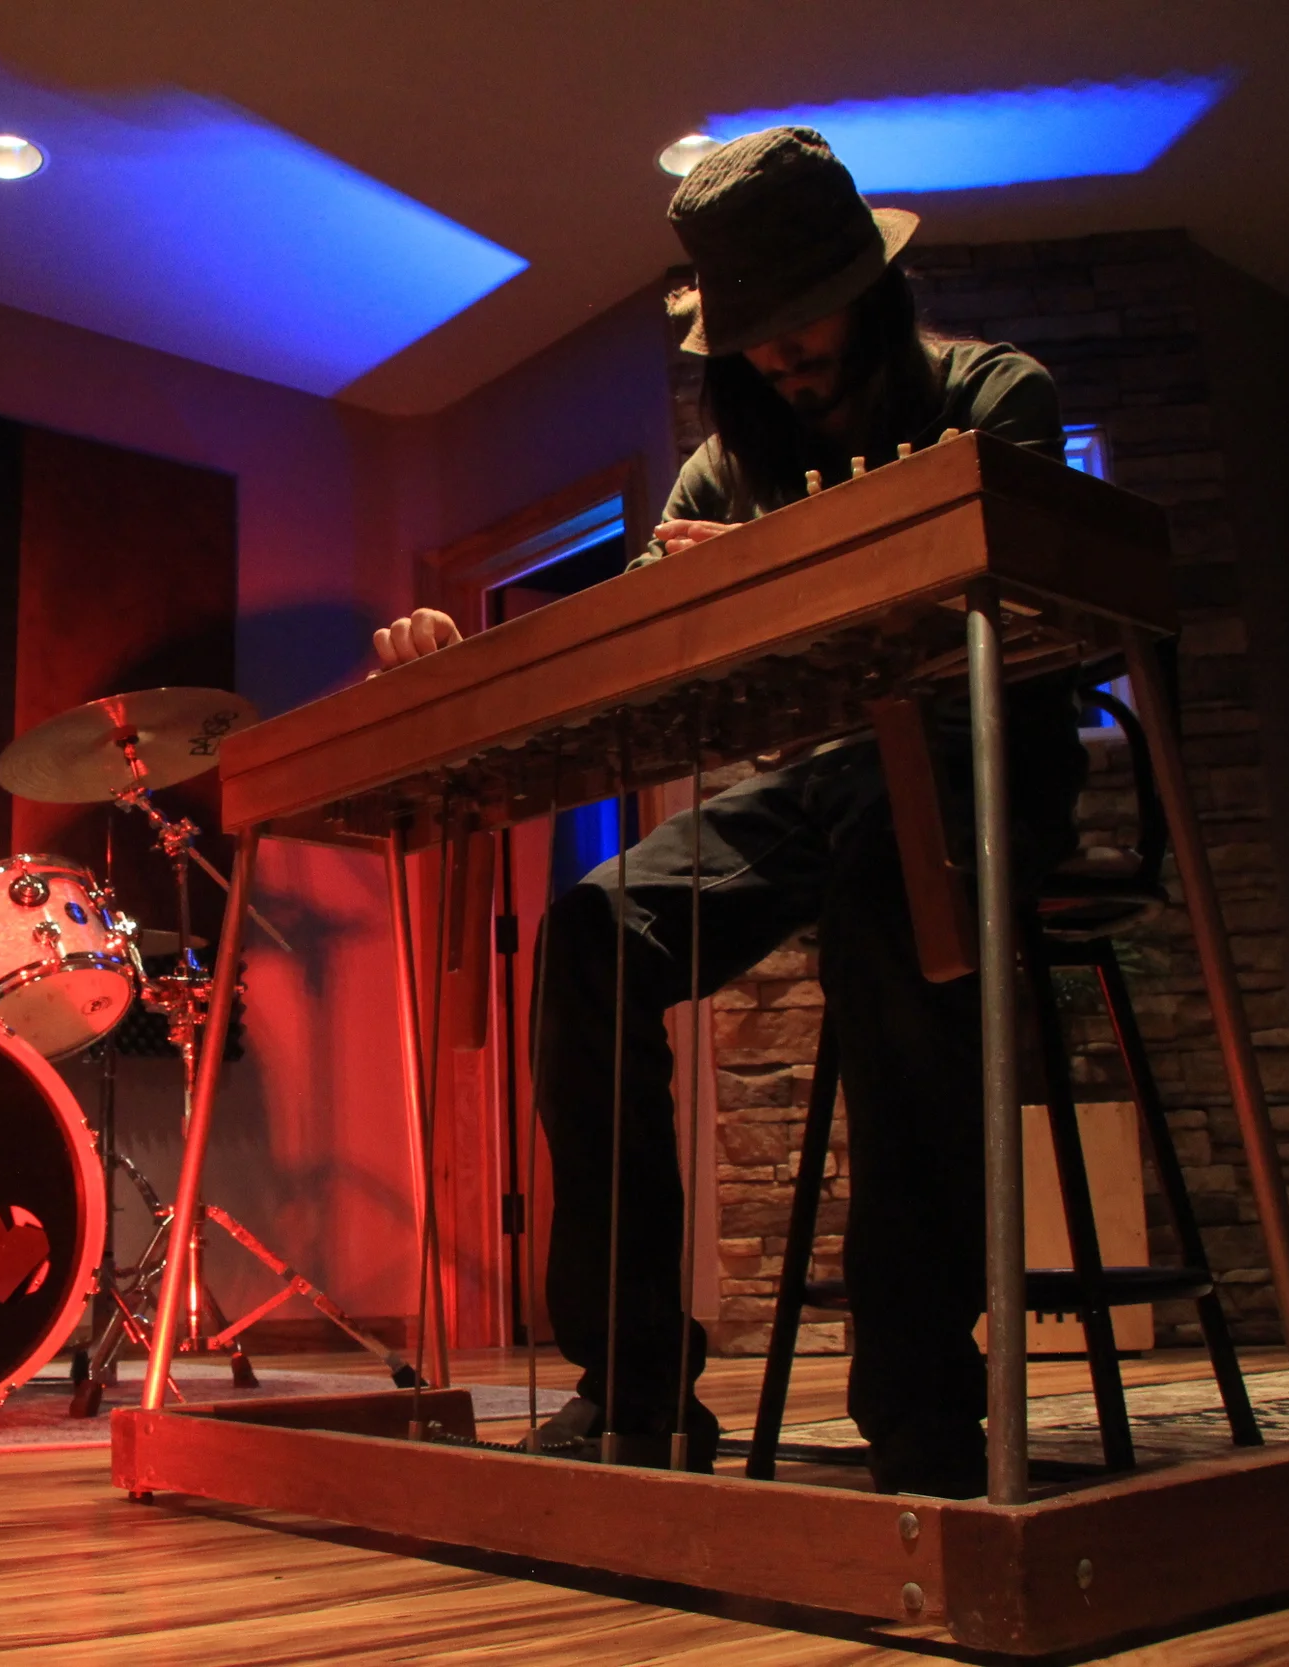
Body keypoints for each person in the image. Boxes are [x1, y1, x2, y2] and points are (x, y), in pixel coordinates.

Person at [373, 128, 1086, 1496]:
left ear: (868, 289)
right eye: (754, 333)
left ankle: (924, 1415)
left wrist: (783, 565)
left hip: (984, 757)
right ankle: (635, 1390)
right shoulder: (721, 464)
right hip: (825, 777)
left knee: (892, 891)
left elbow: (1019, 598)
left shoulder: (997, 394)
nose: (779, 354)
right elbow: (635, 648)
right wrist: (464, 665)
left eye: (800, 317)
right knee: (595, 931)